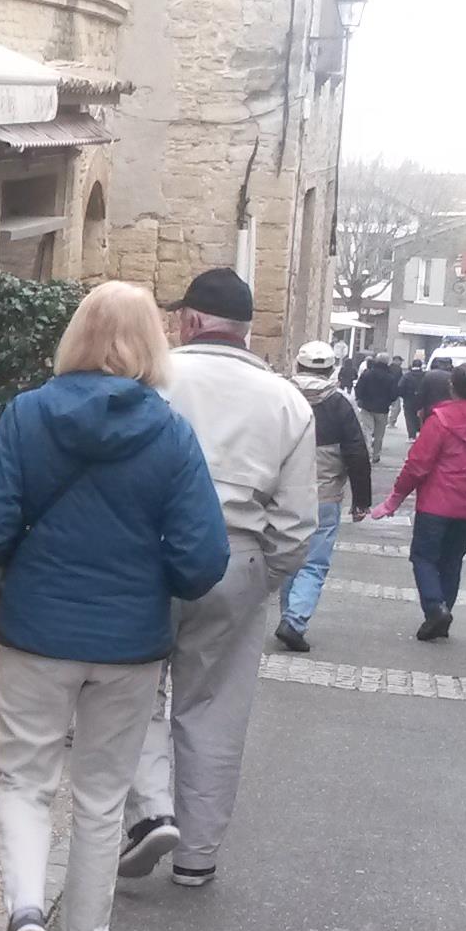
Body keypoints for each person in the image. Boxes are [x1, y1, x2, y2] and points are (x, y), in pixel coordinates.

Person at [0, 282, 228, 931]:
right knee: (103, 795)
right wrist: (154, 574)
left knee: (25, 780)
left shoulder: (28, 415)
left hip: (38, 628)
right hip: (129, 639)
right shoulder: (170, 432)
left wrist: (22, 558)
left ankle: (25, 908)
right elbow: (203, 557)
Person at [117, 268, 316, 888]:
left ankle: (151, 811)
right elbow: (297, 522)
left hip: (149, 554)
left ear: (193, 321)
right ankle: (197, 854)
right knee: (216, 708)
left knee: (132, 690)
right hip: (237, 555)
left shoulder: (154, 380)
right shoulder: (287, 401)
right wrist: (262, 578)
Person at [368, 362, 466, 640]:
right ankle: (443, 613)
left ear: (452, 387)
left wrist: (395, 498)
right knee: (452, 560)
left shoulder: (440, 420)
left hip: (436, 502)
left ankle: (435, 608)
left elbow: (418, 464)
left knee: (424, 557)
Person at [276, 339, 376, 654]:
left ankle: (288, 613)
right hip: (325, 493)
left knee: (289, 555)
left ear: (298, 365)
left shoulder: (281, 396)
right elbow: (357, 453)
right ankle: (294, 619)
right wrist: (361, 500)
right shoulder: (340, 404)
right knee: (315, 561)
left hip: (283, 492)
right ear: (332, 369)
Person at [354, 352, 404, 458]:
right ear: (387, 362)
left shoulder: (367, 374)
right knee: (379, 434)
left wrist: (360, 399)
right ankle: (376, 454)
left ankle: (367, 452)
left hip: (366, 406)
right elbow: (394, 394)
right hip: (382, 409)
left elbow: (358, 388)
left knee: (366, 430)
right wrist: (389, 401)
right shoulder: (390, 377)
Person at [400, 356, 448, 443]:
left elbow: (400, 387)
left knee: (410, 417)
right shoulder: (425, 375)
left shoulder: (407, 375)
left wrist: (404, 395)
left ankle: (412, 435)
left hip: (409, 400)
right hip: (430, 401)